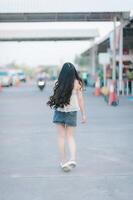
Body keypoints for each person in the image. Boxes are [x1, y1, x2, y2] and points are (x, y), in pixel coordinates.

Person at [47, 62, 87, 172]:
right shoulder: (78, 83)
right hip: (72, 112)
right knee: (70, 137)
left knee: (61, 137)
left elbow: (55, 98)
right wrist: (83, 114)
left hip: (59, 111)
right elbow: (80, 100)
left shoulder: (57, 82)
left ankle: (63, 162)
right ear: (73, 72)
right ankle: (73, 159)